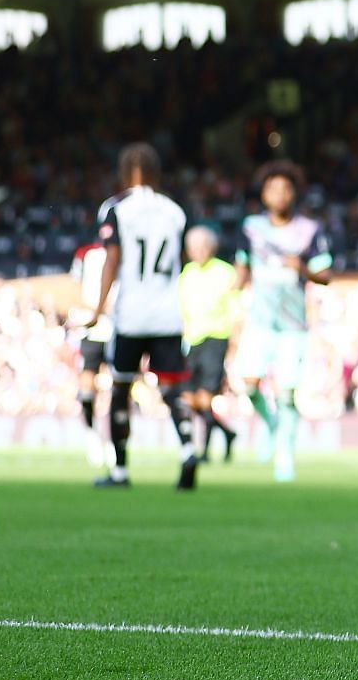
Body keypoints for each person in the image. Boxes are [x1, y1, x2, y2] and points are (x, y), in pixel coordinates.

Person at [85, 143, 198, 491]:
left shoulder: (116, 208)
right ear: (156, 172)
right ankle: (189, 449)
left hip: (132, 314)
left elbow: (112, 259)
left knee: (120, 388)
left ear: (123, 172)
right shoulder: (175, 211)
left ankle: (119, 471)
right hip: (167, 313)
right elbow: (183, 257)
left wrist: (98, 308)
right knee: (172, 390)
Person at [235, 161, 335, 483]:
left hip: (293, 325)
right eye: (273, 188)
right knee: (249, 384)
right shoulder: (251, 228)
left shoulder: (309, 229)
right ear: (263, 194)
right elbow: (241, 268)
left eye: (285, 188)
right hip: (259, 322)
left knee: (287, 393)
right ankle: (270, 422)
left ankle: (285, 455)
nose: (279, 194)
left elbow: (326, 274)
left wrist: (302, 269)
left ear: (294, 194)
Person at [179, 226, 240, 461]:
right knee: (190, 399)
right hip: (192, 341)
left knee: (205, 397)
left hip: (216, 337)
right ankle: (227, 433)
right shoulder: (187, 274)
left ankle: (203, 450)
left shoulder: (225, 273)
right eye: (193, 248)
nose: (198, 251)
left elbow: (235, 311)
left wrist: (234, 344)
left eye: (202, 246)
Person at [70, 241, 112, 469]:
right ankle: (92, 435)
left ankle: (115, 439)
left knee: (118, 385)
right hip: (91, 326)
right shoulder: (85, 253)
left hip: (117, 327)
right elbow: (74, 285)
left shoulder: (127, 249)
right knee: (87, 385)